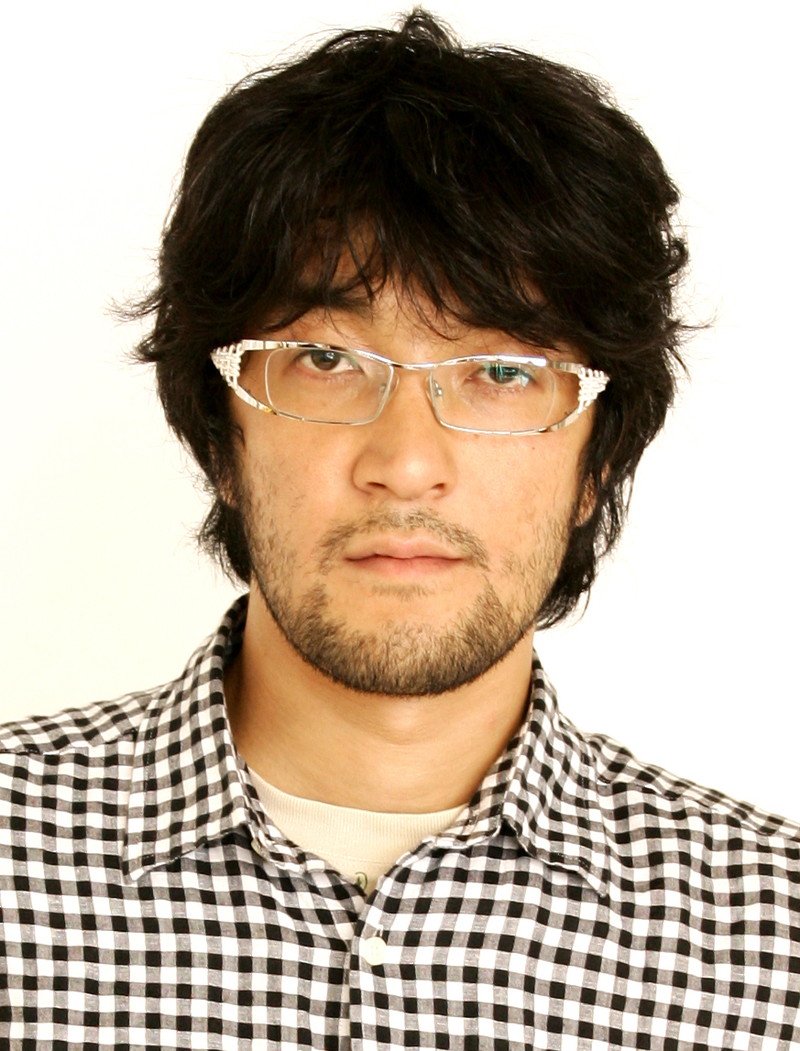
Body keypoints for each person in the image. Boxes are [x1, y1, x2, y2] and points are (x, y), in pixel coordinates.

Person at [0, 8, 797, 1048]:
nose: (408, 462)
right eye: (327, 361)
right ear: (220, 436)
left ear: (596, 460)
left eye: (502, 371)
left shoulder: (770, 944)